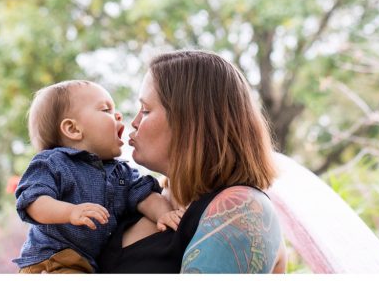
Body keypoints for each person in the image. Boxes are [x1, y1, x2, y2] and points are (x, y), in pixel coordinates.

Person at [97, 50, 287, 273]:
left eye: (146, 110)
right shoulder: (141, 198)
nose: (135, 122)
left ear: (190, 122)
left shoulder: (242, 209)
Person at [13, 80, 185, 273]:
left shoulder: (122, 172)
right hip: (51, 260)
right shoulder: (53, 163)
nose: (118, 115)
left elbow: (144, 195)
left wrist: (163, 214)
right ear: (73, 129)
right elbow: (33, 201)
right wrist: (70, 212)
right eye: (106, 110)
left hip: (87, 265)